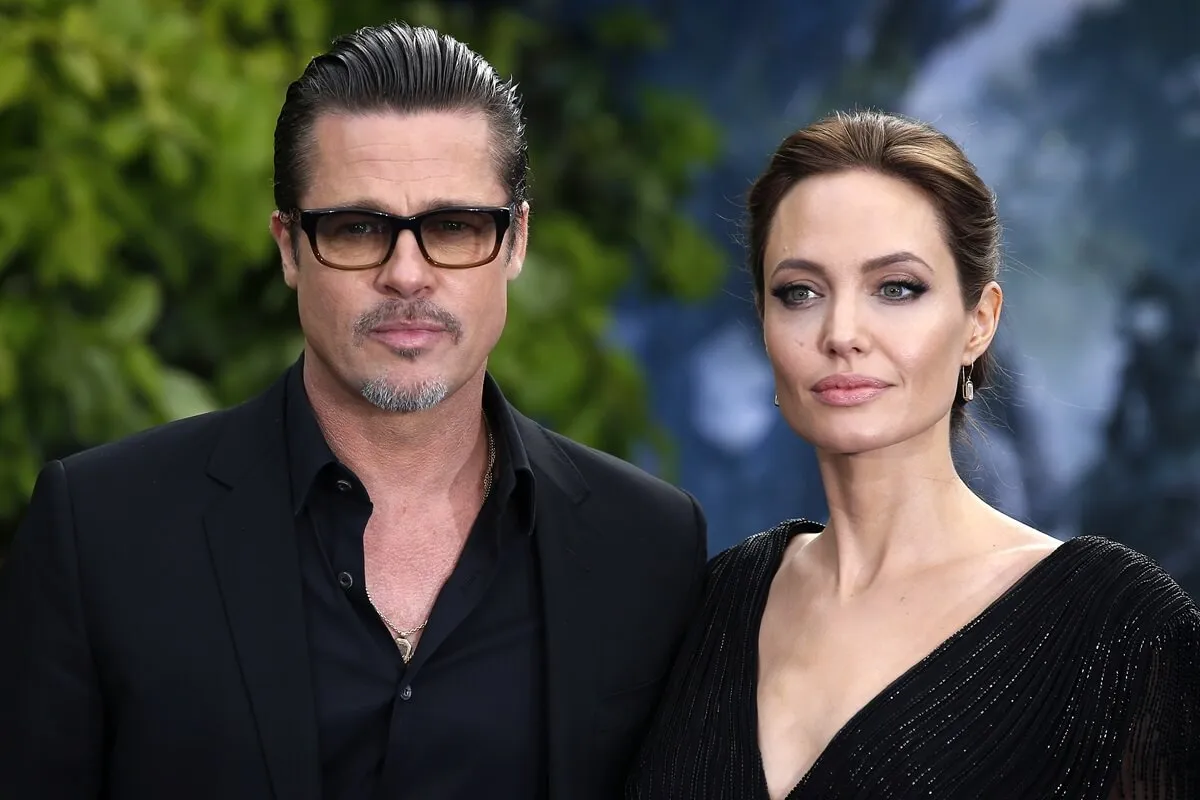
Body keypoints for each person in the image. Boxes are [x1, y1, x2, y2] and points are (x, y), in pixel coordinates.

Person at [0, 22, 707, 800]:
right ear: (289, 248)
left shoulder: (647, 547)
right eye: (358, 229)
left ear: (515, 242)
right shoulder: (100, 532)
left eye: (453, 227)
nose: (407, 274)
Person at [626, 110, 1200, 799]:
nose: (841, 332)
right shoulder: (713, 604)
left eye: (896, 287)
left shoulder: (1114, 627)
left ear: (978, 323)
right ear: (764, 321)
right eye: (800, 292)